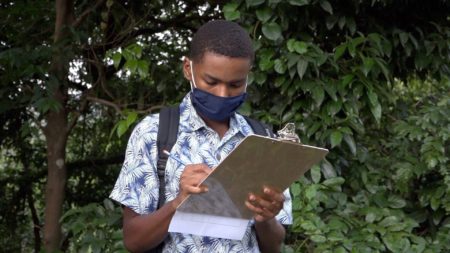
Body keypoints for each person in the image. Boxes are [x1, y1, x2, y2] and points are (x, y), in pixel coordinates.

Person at [110, 20, 292, 253]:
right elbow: (133, 241)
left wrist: (266, 217)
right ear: (188, 69)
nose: (223, 93)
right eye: (211, 81)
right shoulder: (153, 134)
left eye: (235, 84)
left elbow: (274, 246)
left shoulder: (263, 141)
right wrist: (179, 202)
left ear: (247, 77)